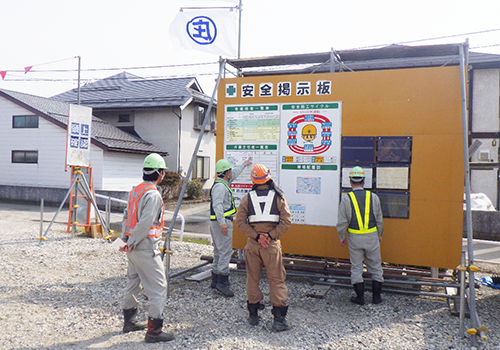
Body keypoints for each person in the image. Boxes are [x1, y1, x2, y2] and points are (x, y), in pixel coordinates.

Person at [119, 153, 174, 343]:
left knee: (133, 281)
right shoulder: (153, 195)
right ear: (160, 173)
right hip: (145, 247)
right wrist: (132, 241)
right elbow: (144, 223)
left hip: (132, 246)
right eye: (163, 171)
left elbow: (127, 216)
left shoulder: (135, 191)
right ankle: (154, 332)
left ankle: (130, 321)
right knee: (159, 287)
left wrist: (124, 240)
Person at [235, 164, 292, 331]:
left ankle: (253, 315)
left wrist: (257, 236)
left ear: (254, 179)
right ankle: (279, 320)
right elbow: (287, 221)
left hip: (253, 245)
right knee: (276, 279)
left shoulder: (247, 197)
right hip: (272, 245)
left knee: (252, 278)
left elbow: (240, 222)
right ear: (268, 177)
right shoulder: (278, 196)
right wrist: (270, 235)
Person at [336, 166, 384, 305]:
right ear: (363, 181)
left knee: (356, 267)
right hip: (372, 236)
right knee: (375, 266)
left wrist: (341, 236)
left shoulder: (346, 199)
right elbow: (379, 219)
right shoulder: (373, 197)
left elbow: (342, 221)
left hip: (354, 237)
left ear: (351, 181)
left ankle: (360, 298)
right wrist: (379, 234)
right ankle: (376, 298)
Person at [209, 157, 251, 297]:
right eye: (230, 170)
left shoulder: (222, 182)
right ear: (226, 173)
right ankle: (222, 282)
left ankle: (215, 280)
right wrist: (222, 224)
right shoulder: (221, 187)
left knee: (218, 251)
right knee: (225, 252)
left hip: (217, 222)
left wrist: (244, 165)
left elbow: (236, 173)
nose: (232, 172)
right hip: (222, 222)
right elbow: (217, 205)